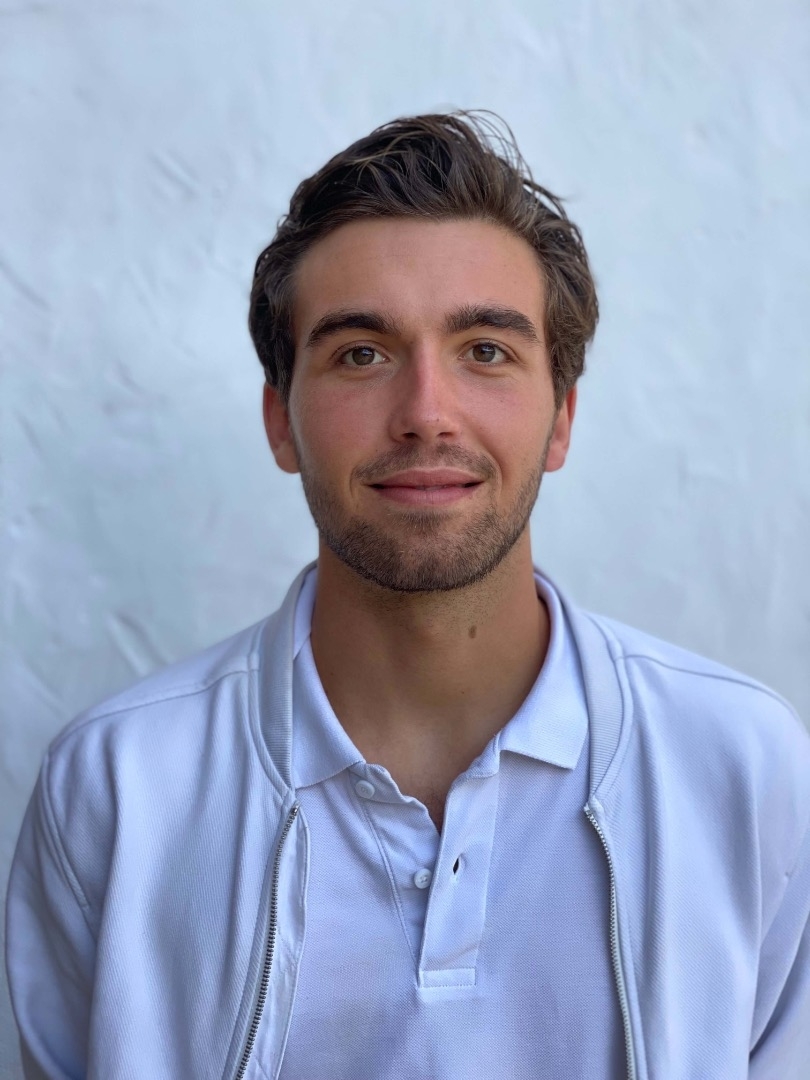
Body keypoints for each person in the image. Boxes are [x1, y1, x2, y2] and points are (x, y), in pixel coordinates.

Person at [6, 111, 810, 1080]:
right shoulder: (115, 791)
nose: (427, 414)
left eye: (486, 350)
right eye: (361, 353)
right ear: (281, 422)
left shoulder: (745, 772)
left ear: (561, 418)